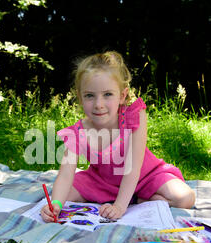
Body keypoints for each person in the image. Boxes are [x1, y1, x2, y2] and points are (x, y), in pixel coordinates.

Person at [41, 51, 195, 223]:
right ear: (80, 97)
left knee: (185, 198)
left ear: (122, 95)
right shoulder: (78, 132)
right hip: (103, 182)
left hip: (146, 176)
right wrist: (55, 204)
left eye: (107, 94)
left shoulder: (133, 117)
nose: (99, 105)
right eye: (90, 96)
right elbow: (65, 174)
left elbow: (133, 167)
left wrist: (120, 206)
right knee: (65, 195)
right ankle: (133, 200)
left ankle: (133, 199)